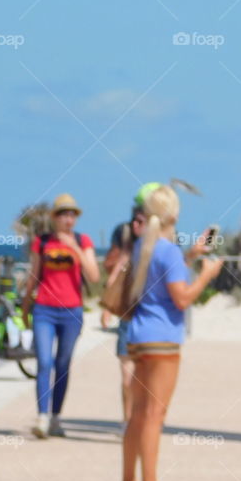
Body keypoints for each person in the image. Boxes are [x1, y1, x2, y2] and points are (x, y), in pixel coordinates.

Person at [118, 185, 223, 481]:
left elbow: (160, 281)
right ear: (174, 214)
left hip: (137, 335)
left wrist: (191, 256)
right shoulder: (167, 250)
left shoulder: (143, 247)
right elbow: (181, 298)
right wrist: (207, 275)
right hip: (162, 338)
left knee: (137, 414)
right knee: (154, 415)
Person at [22, 194, 101, 439]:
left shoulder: (82, 241)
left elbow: (94, 277)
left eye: (72, 214)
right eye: (63, 214)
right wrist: (25, 307)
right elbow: (34, 276)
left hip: (71, 311)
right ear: (54, 217)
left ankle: (56, 416)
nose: (68, 219)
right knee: (44, 362)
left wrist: (75, 248)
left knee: (63, 365)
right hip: (44, 309)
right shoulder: (42, 242)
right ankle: (42, 417)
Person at [103, 183, 162, 435]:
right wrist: (108, 302)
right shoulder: (125, 232)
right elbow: (113, 265)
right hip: (129, 312)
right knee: (128, 377)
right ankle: (127, 421)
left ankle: (144, 420)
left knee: (148, 376)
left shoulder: (165, 236)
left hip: (153, 315)